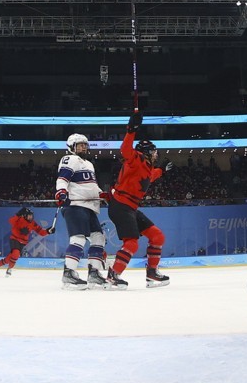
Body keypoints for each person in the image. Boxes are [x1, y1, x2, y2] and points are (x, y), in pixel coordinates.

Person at [106, 111, 172, 289]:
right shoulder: (136, 159)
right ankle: (113, 275)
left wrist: (162, 170)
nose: (156, 155)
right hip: (120, 205)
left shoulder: (147, 168)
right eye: (154, 152)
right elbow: (125, 150)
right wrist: (131, 129)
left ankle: (152, 274)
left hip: (130, 208)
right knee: (132, 243)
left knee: (157, 236)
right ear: (147, 152)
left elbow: (151, 176)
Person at [56, 132, 108, 290]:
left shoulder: (89, 164)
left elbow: (91, 185)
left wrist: (102, 194)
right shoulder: (70, 159)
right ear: (72, 147)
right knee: (78, 238)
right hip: (75, 205)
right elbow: (62, 178)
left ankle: (94, 274)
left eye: (85, 144)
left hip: (90, 207)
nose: (84, 147)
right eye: (80, 145)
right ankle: (69, 274)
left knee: (98, 238)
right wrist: (61, 191)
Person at [0, 207, 52, 276]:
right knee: (16, 253)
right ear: (25, 215)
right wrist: (18, 214)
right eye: (29, 215)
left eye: (32, 216)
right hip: (14, 239)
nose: (31, 217)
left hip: (23, 242)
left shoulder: (33, 223)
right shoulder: (19, 219)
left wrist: (49, 231)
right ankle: (9, 269)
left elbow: (41, 232)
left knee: (11, 257)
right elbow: (10, 221)